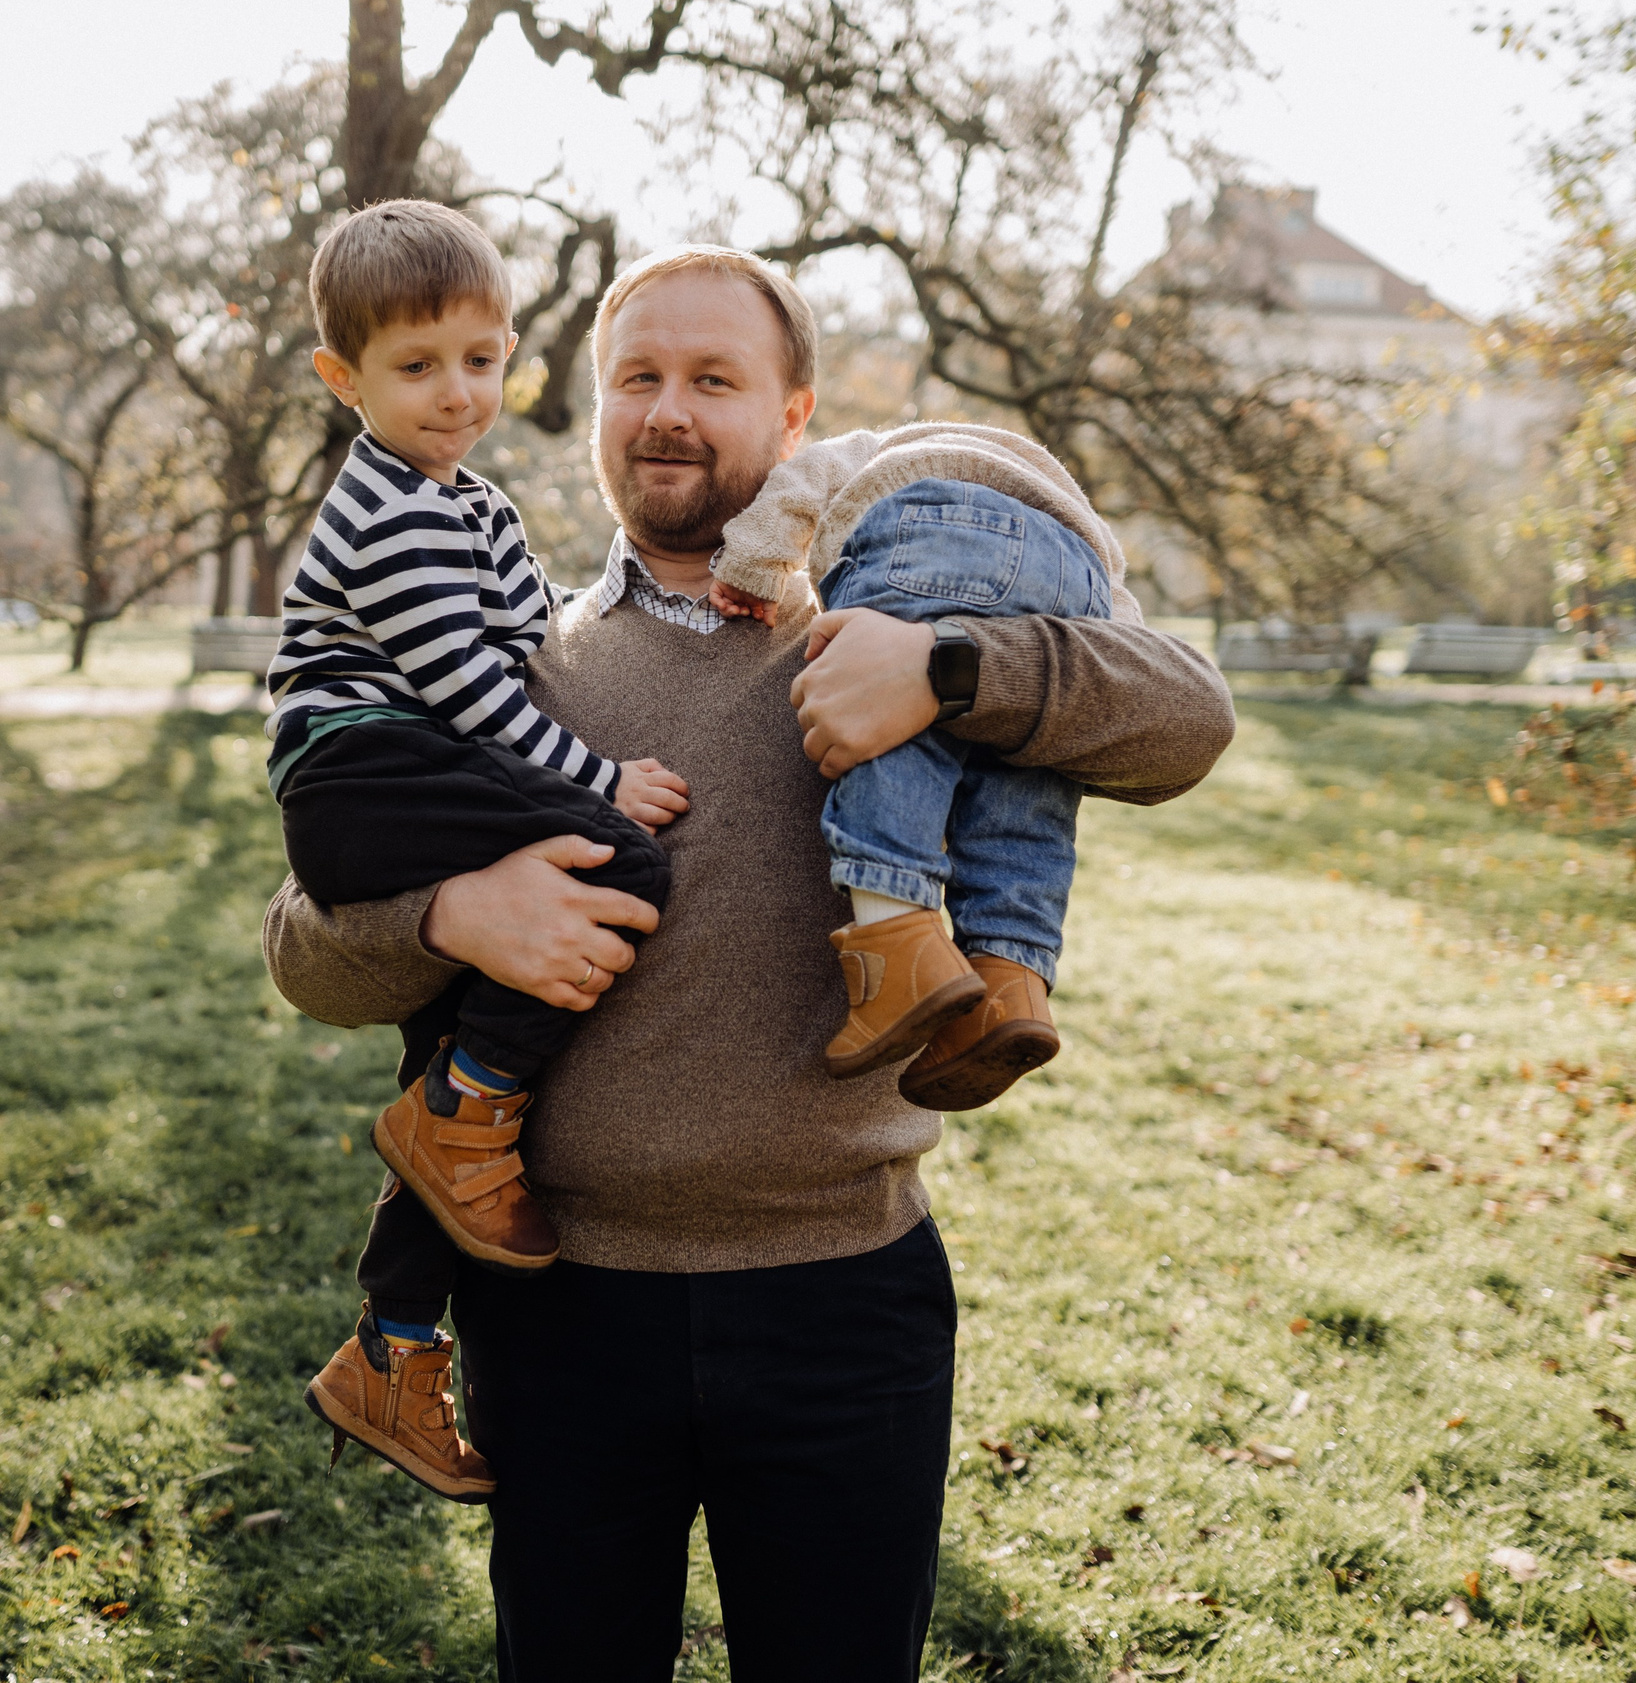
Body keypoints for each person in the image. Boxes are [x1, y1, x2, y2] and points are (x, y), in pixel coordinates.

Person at [265, 244, 1235, 1681]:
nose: (667, 411)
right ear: (593, 411)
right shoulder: (507, 669)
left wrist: (947, 671)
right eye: (637, 378)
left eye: (713, 380)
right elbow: (302, 948)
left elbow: (1188, 722)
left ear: (794, 420)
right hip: (560, 1305)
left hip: (842, 1294)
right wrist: (448, 917)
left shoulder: (882, 630)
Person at [266, 200, 690, 1504]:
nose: (458, 392)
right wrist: (603, 783)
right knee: (620, 861)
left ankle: (391, 1347)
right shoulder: (389, 513)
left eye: (481, 359)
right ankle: (466, 1117)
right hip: (360, 770)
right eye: (417, 365)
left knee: (450, 1063)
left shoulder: (465, 501)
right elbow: (473, 695)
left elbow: (534, 640)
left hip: (406, 766)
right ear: (343, 378)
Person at [705, 422, 1138, 1108]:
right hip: (1078, 574)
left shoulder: (884, 450)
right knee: (1025, 782)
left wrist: (752, 567)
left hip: (929, 529)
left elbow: (801, 483)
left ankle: (896, 939)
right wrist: (1112, 646)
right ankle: (1011, 977)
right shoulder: (1056, 491)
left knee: (882, 721)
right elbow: (1121, 620)